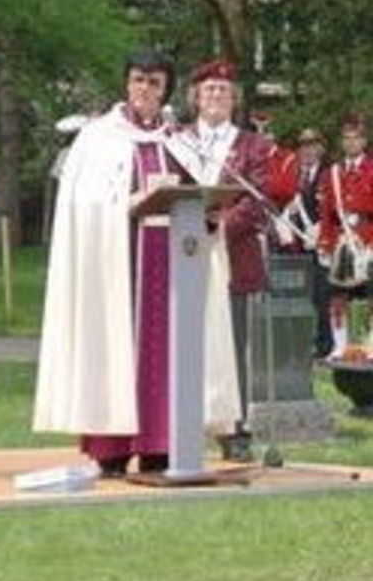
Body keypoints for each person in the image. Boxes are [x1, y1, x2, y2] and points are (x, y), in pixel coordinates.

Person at [33, 51, 239, 477]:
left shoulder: (179, 139)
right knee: (116, 350)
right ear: (127, 83)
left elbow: (196, 191)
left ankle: (161, 445)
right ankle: (111, 447)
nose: (145, 90)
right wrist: (125, 205)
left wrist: (209, 214)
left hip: (173, 269)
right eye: (138, 80)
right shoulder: (99, 139)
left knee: (170, 353)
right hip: (118, 265)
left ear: (166, 90)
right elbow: (82, 204)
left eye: (155, 83)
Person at [178, 59, 269, 451]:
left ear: (234, 100)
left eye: (224, 90)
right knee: (182, 343)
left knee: (233, 347)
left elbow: (257, 201)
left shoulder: (254, 146)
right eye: (209, 89)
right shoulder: (176, 140)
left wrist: (217, 227)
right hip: (182, 255)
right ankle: (183, 425)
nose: (216, 95)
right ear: (196, 97)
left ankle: (234, 430)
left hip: (233, 258)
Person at [268, 127, 332, 357]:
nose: (308, 150)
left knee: (319, 297)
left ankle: (323, 345)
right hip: (290, 243)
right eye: (304, 145)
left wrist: (322, 232)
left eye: (313, 145)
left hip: (317, 244)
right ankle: (293, 344)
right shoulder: (290, 172)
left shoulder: (328, 173)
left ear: (321, 148)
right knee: (291, 298)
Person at [317, 115, 373, 358]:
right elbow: (326, 212)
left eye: (356, 138)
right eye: (347, 138)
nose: (351, 143)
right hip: (341, 242)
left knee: (371, 295)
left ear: (364, 141)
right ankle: (339, 346)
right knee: (338, 298)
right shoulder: (333, 173)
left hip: (368, 238)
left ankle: (371, 345)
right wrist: (326, 244)